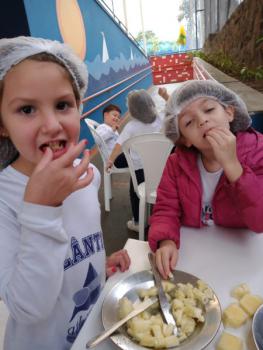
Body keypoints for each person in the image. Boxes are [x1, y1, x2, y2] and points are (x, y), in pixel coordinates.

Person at [0, 36, 130, 350]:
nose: (52, 124)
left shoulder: (90, 176)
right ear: (2, 124)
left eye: (62, 105)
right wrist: (41, 207)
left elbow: (76, 246)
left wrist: (98, 267)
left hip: (91, 334)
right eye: (27, 109)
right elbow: (28, 308)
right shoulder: (4, 199)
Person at [148, 79, 263, 279]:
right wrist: (166, 241)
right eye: (189, 122)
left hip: (244, 255)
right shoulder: (176, 164)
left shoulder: (257, 151)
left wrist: (233, 166)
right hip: (195, 256)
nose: (202, 120)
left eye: (209, 110)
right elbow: (166, 209)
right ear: (185, 139)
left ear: (229, 112)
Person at [106, 89, 162, 232]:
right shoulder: (161, 118)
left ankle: (138, 222)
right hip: (159, 169)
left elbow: (119, 144)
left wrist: (110, 160)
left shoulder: (131, 127)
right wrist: (166, 96)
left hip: (139, 170)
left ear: (132, 109)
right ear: (151, 103)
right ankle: (159, 218)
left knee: (135, 191)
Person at [96, 104, 128, 168]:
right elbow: (98, 140)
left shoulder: (113, 129)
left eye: (118, 117)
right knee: (137, 156)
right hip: (113, 160)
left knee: (137, 155)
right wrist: (112, 130)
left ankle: (136, 176)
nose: (116, 118)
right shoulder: (102, 127)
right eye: (114, 115)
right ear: (106, 115)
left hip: (119, 156)